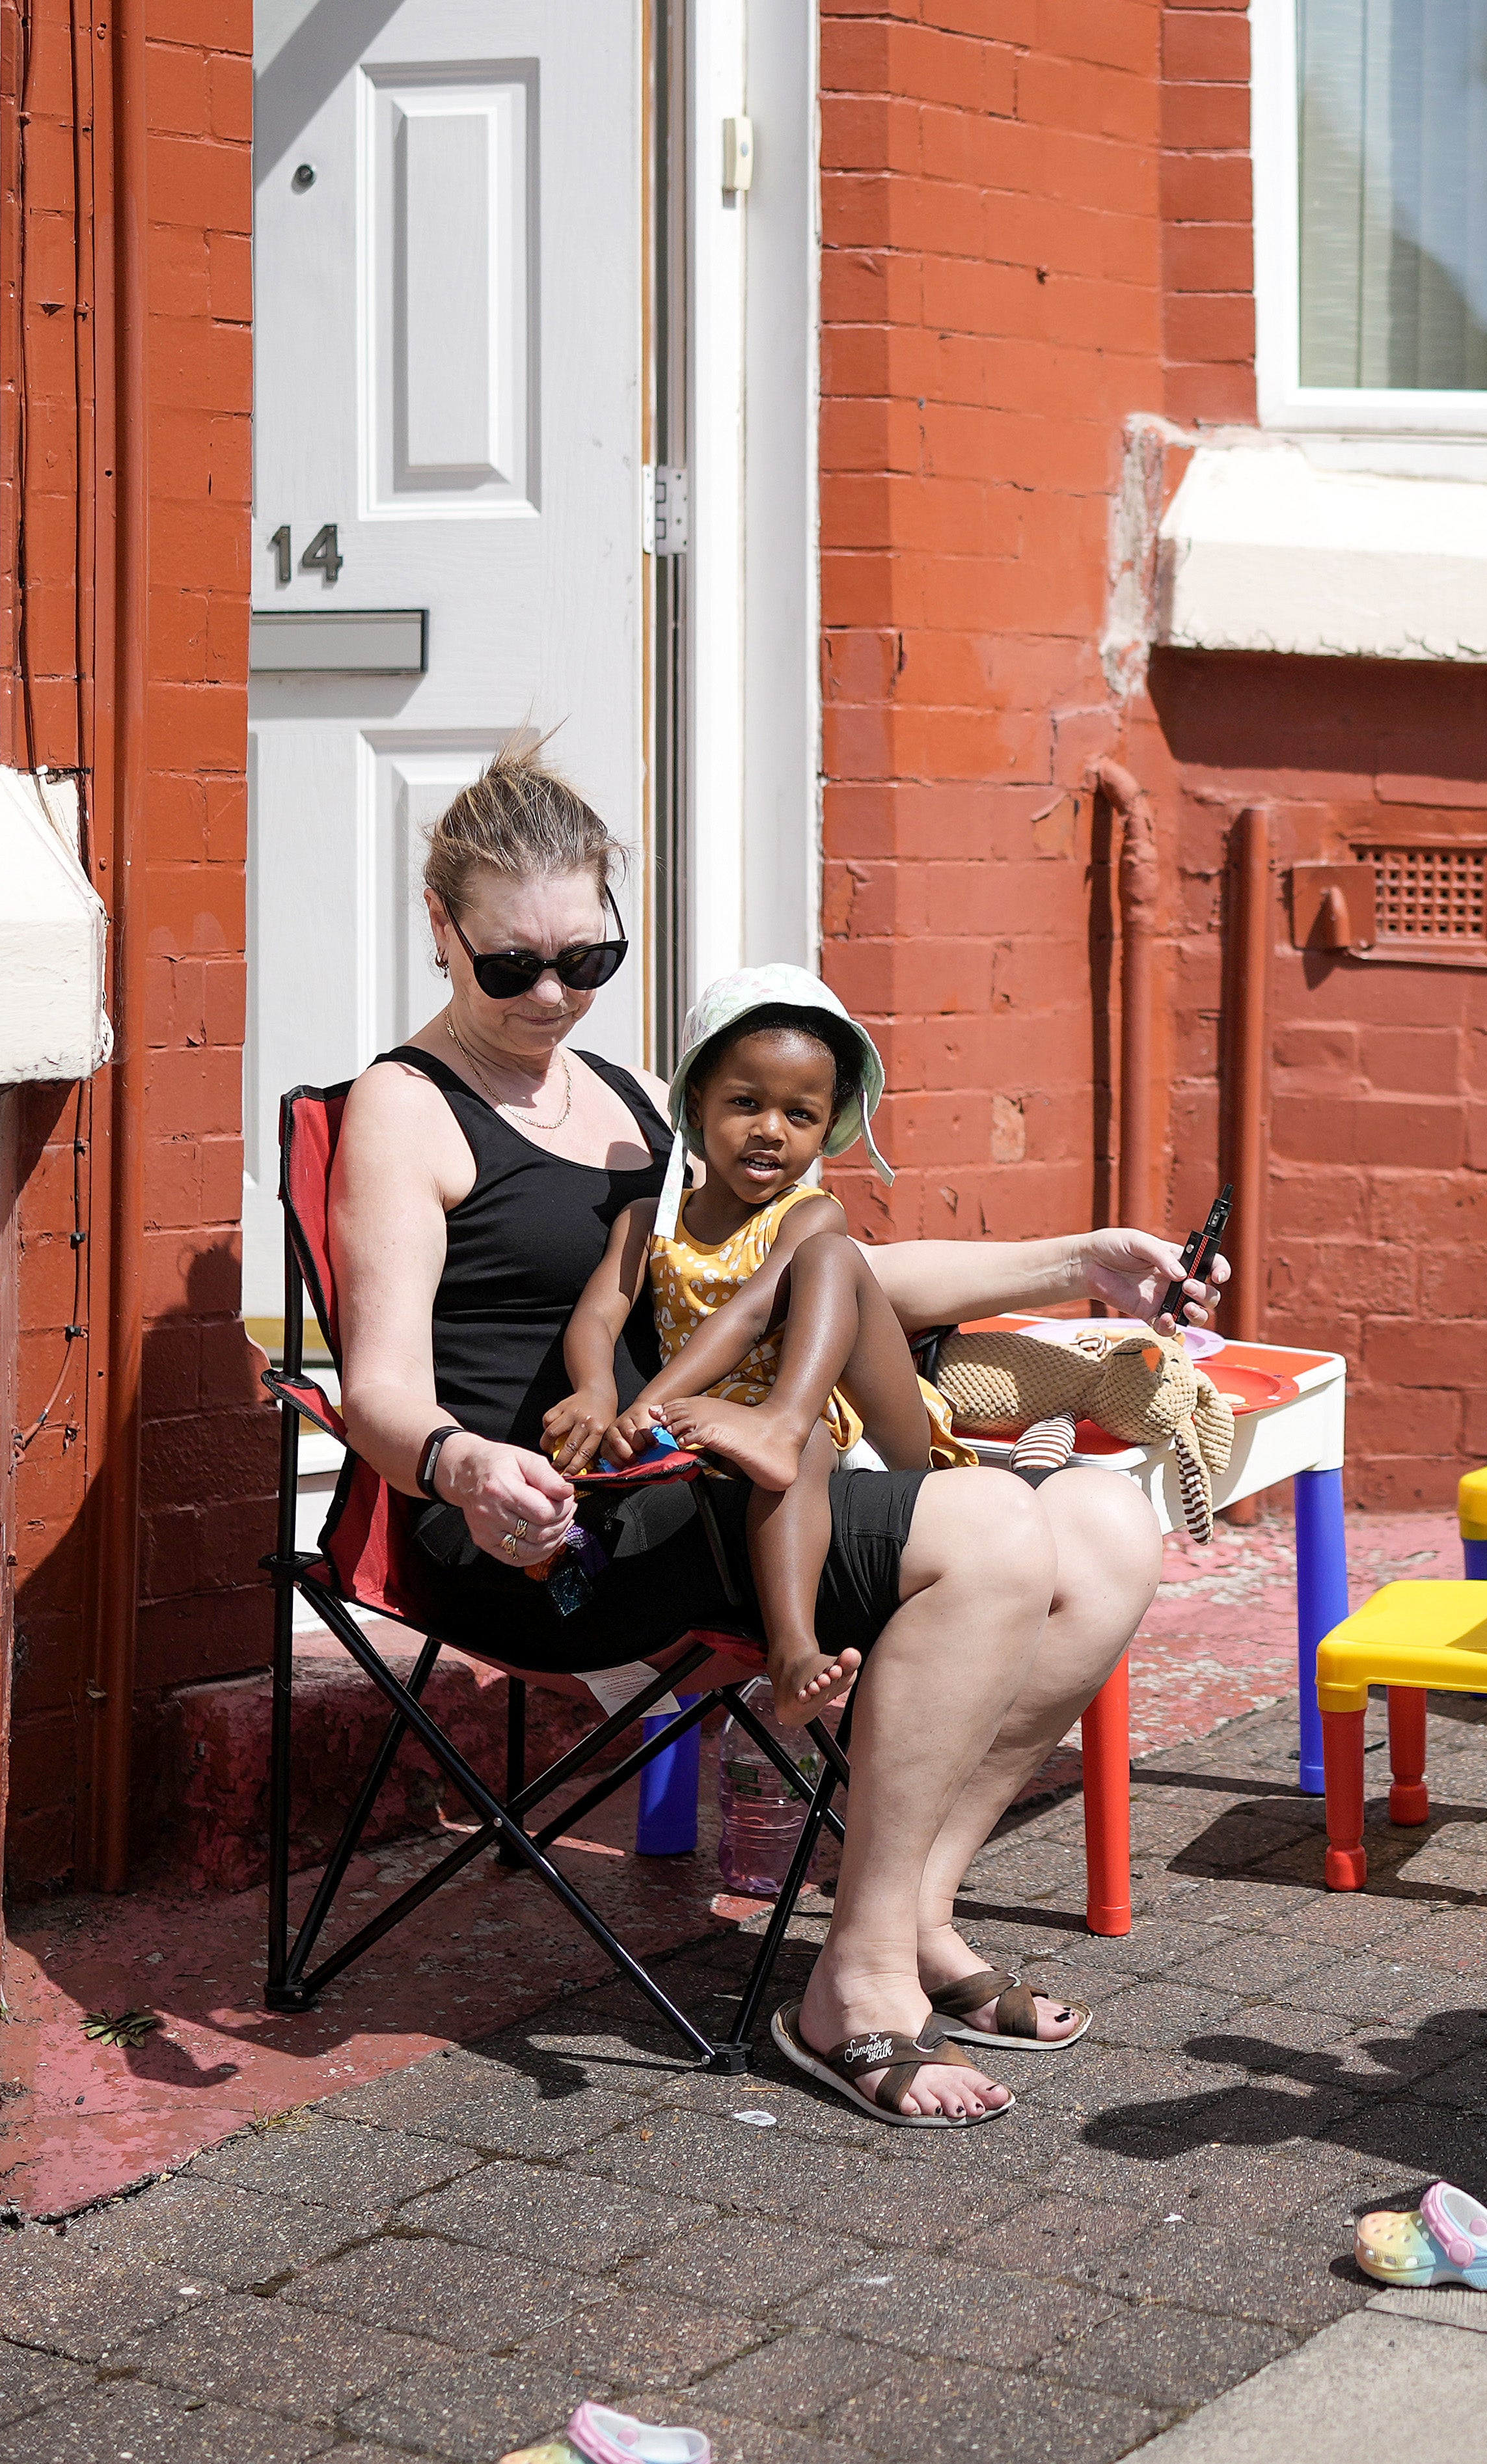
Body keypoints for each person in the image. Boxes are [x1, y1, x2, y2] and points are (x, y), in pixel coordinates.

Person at [324, 739, 1188, 2129]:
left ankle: (909, 1914)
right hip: (544, 1529)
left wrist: (1076, 1260)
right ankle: (846, 1988)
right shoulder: (404, 1107)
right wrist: (466, 1463)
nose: (551, 995)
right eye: (508, 966)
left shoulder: (627, 1099)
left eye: (584, 958)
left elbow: (809, 1275)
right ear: (441, 930)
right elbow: (374, 1388)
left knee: (1103, 1527)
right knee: (980, 1528)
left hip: (695, 1478)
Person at [571, 970, 976, 1727]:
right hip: (748, 1441)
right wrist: (595, 1390)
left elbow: (752, 1315)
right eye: (746, 1103)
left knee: (829, 1265)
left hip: (873, 1428)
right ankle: (794, 1655)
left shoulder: (808, 1211)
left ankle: (784, 1421)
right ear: (698, 1105)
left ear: (827, 1131)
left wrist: (645, 1405)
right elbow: (597, 1316)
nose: (771, 1130)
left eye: (800, 1114)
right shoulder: (646, 1220)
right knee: (791, 1465)